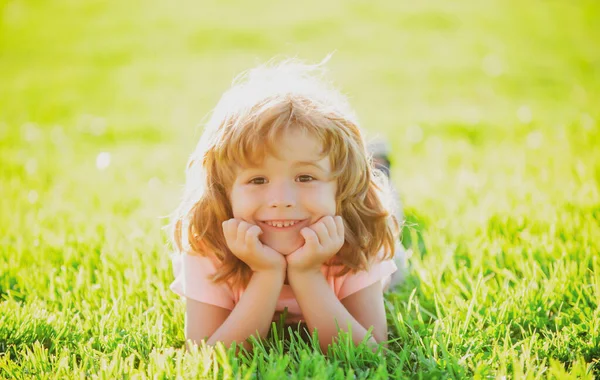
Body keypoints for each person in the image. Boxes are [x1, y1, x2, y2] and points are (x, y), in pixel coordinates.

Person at [169, 58, 403, 352]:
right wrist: (267, 275)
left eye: (305, 177)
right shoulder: (208, 239)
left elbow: (371, 352)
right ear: (223, 190)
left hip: (367, 221)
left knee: (390, 213)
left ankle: (377, 165)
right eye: (257, 180)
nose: (281, 201)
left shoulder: (361, 230)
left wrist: (307, 274)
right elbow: (207, 354)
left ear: (341, 186)